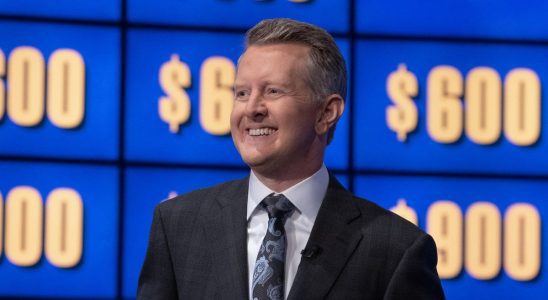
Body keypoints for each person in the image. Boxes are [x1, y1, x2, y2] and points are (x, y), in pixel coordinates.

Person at [137, 18, 445, 300]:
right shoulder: (178, 225)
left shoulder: (395, 249)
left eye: (272, 91)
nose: (252, 108)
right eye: (242, 93)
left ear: (327, 112)